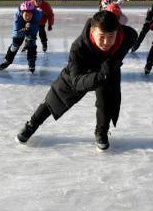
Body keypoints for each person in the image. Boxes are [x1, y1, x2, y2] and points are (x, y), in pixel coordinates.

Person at [15, 10, 137, 150]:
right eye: (102, 36)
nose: (106, 42)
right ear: (93, 31)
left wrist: (114, 61)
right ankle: (32, 124)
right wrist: (99, 76)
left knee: (108, 101)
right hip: (82, 70)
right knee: (56, 96)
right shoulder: (77, 49)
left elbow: (133, 35)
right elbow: (77, 82)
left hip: (108, 68)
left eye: (111, 36)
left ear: (117, 31)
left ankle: (101, 132)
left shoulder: (126, 35)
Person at [0, 1, 42, 73]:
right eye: (26, 15)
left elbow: (35, 30)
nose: (27, 17)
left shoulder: (37, 15)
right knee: (15, 45)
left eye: (30, 15)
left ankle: (31, 62)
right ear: (22, 13)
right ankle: (7, 60)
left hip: (32, 24)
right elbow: (16, 32)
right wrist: (24, 29)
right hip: (21, 26)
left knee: (31, 44)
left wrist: (30, 30)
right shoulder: (18, 16)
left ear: (33, 13)